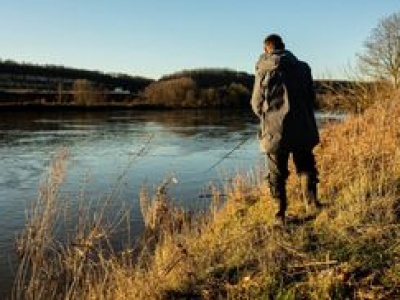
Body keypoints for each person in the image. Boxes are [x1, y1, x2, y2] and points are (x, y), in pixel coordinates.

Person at [250, 34, 322, 226]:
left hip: (275, 130)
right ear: (284, 46)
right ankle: (312, 204)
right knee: (306, 166)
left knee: (276, 174)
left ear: (266, 49)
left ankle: (279, 215)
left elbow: (256, 103)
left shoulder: (262, 70)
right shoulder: (303, 67)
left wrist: (267, 117)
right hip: (303, 127)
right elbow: (311, 98)